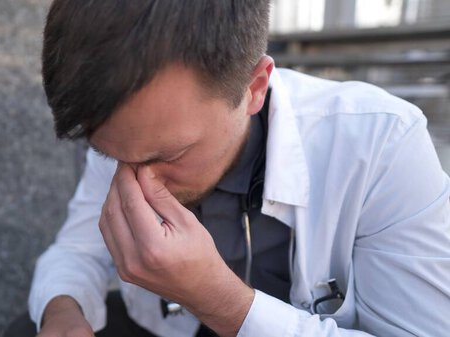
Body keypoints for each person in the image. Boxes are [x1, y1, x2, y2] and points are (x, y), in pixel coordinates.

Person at [25, 1, 450, 336]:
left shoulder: (381, 143)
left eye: (169, 156)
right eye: (111, 155)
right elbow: (76, 251)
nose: (139, 181)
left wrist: (214, 296)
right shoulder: (137, 137)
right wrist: (62, 310)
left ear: (255, 87)